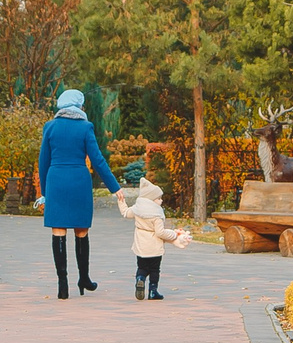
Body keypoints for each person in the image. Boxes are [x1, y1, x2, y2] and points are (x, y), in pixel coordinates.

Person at [35, 88, 119, 299]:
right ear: (80, 106)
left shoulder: (50, 127)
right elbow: (97, 159)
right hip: (79, 181)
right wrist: (114, 187)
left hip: (56, 182)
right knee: (81, 231)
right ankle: (84, 278)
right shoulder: (85, 127)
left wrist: (45, 192)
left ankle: (62, 285)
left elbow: (43, 162)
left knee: (58, 230)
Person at [119, 176, 191, 300]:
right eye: (159, 198)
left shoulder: (137, 209)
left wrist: (121, 201)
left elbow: (125, 213)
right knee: (154, 269)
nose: (161, 200)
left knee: (141, 267)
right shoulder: (156, 214)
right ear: (151, 200)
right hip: (154, 247)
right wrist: (174, 235)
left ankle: (140, 279)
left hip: (141, 245)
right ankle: (153, 291)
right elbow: (160, 232)